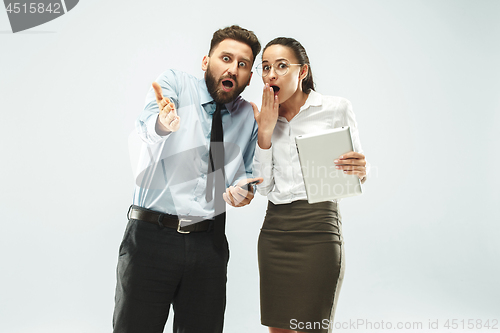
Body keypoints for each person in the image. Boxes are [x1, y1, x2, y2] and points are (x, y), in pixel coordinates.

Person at [113, 25, 263, 333]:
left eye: (243, 64)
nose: (232, 68)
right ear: (206, 61)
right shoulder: (176, 84)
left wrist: (243, 192)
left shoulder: (248, 115)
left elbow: (246, 177)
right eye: (225, 58)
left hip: (208, 246)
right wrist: (162, 124)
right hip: (151, 237)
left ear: (249, 76)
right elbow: (147, 124)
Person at [252, 37, 368, 333]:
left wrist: (360, 169)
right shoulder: (263, 118)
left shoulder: (336, 108)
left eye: (281, 66)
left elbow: (352, 173)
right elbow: (263, 189)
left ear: (302, 72)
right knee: (278, 329)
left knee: (312, 327)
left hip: (318, 229)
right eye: (265, 67)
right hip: (275, 231)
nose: (271, 75)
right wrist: (264, 134)